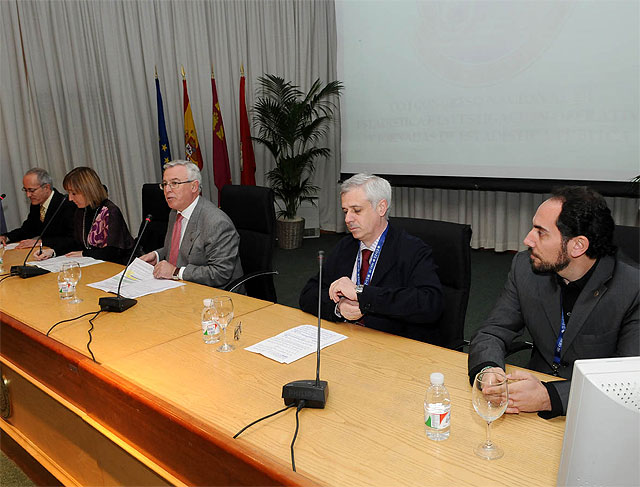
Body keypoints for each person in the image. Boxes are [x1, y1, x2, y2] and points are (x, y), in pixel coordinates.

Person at [468, 186, 639, 419]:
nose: (527, 239)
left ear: (578, 245)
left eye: (541, 232)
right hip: (528, 403)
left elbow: (630, 380)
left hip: (596, 411)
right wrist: (488, 370)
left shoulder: (632, 289)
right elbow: (493, 331)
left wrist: (549, 396)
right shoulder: (525, 268)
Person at [299, 174, 443, 343]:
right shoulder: (346, 247)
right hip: (346, 339)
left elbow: (430, 304)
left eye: (356, 210)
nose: (347, 219)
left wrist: (362, 294)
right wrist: (339, 308)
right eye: (345, 211)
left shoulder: (412, 249)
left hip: (390, 347)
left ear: (381, 208)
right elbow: (308, 294)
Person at [140, 160, 243, 288]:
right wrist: (157, 256)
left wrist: (175, 272)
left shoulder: (217, 223)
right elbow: (180, 249)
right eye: (165, 184)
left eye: (174, 183)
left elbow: (220, 274)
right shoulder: (175, 213)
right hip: (180, 286)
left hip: (215, 296)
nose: (167, 190)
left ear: (194, 186)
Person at [34, 167, 134, 264]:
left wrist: (84, 254)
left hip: (117, 267)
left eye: (74, 193)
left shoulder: (109, 211)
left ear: (88, 190)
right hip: (93, 265)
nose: (70, 199)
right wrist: (53, 252)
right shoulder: (81, 211)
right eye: (68, 193)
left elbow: (114, 252)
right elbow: (76, 242)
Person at [1, 168, 75, 254]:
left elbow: (72, 239)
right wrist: (6, 237)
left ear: (46, 187)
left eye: (31, 190)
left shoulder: (66, 204)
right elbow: (28, 230)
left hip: (64, 254)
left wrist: (41, 242)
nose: (28, 195)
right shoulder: (36, 204)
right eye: (25, 190)